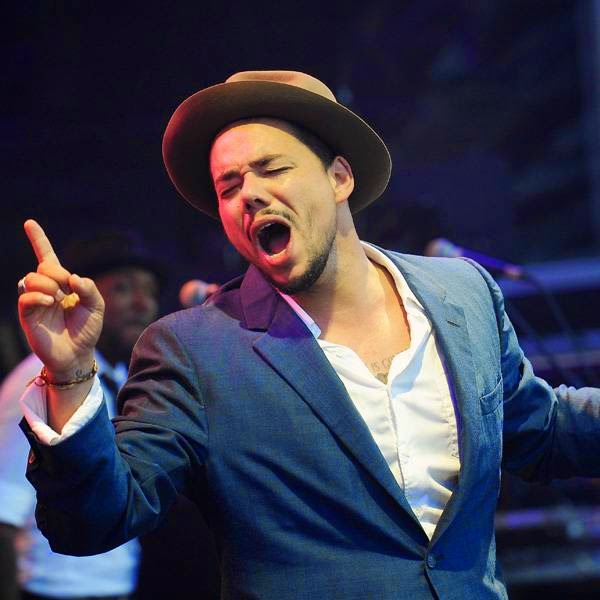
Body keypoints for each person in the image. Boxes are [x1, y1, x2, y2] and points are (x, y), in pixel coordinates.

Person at [14, 70, 600, 599]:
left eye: (272, 169)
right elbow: (94, 521)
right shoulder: (193, 349)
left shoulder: (460, 293)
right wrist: (68, 374)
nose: (250, 194)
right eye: (229, 186)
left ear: (339, 177)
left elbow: (539, 429)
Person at [0, 230, 163, 600]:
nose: (142, 303)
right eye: (123, 289)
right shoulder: (39, 380)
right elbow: (3, 514)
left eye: (150, 291)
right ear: (77, 299)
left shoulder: (122, 379)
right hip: (51, 591)